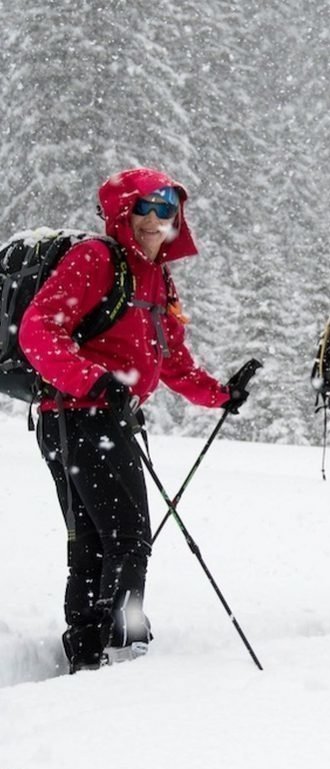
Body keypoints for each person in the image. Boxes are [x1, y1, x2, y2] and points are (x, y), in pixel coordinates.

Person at [19, 167, 249, 672]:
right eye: (142, 206)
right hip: (79, 418)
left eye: (165, 208)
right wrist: (94, 381)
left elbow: (171, 359)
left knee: (98, 538)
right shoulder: (96, 259)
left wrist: (221, 394)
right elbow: (37, 332)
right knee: (126, 537)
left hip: (101, 420)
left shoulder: (155, 278)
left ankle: (87, 648)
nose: (153, 218)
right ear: (120, 212)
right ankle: (124, 646)